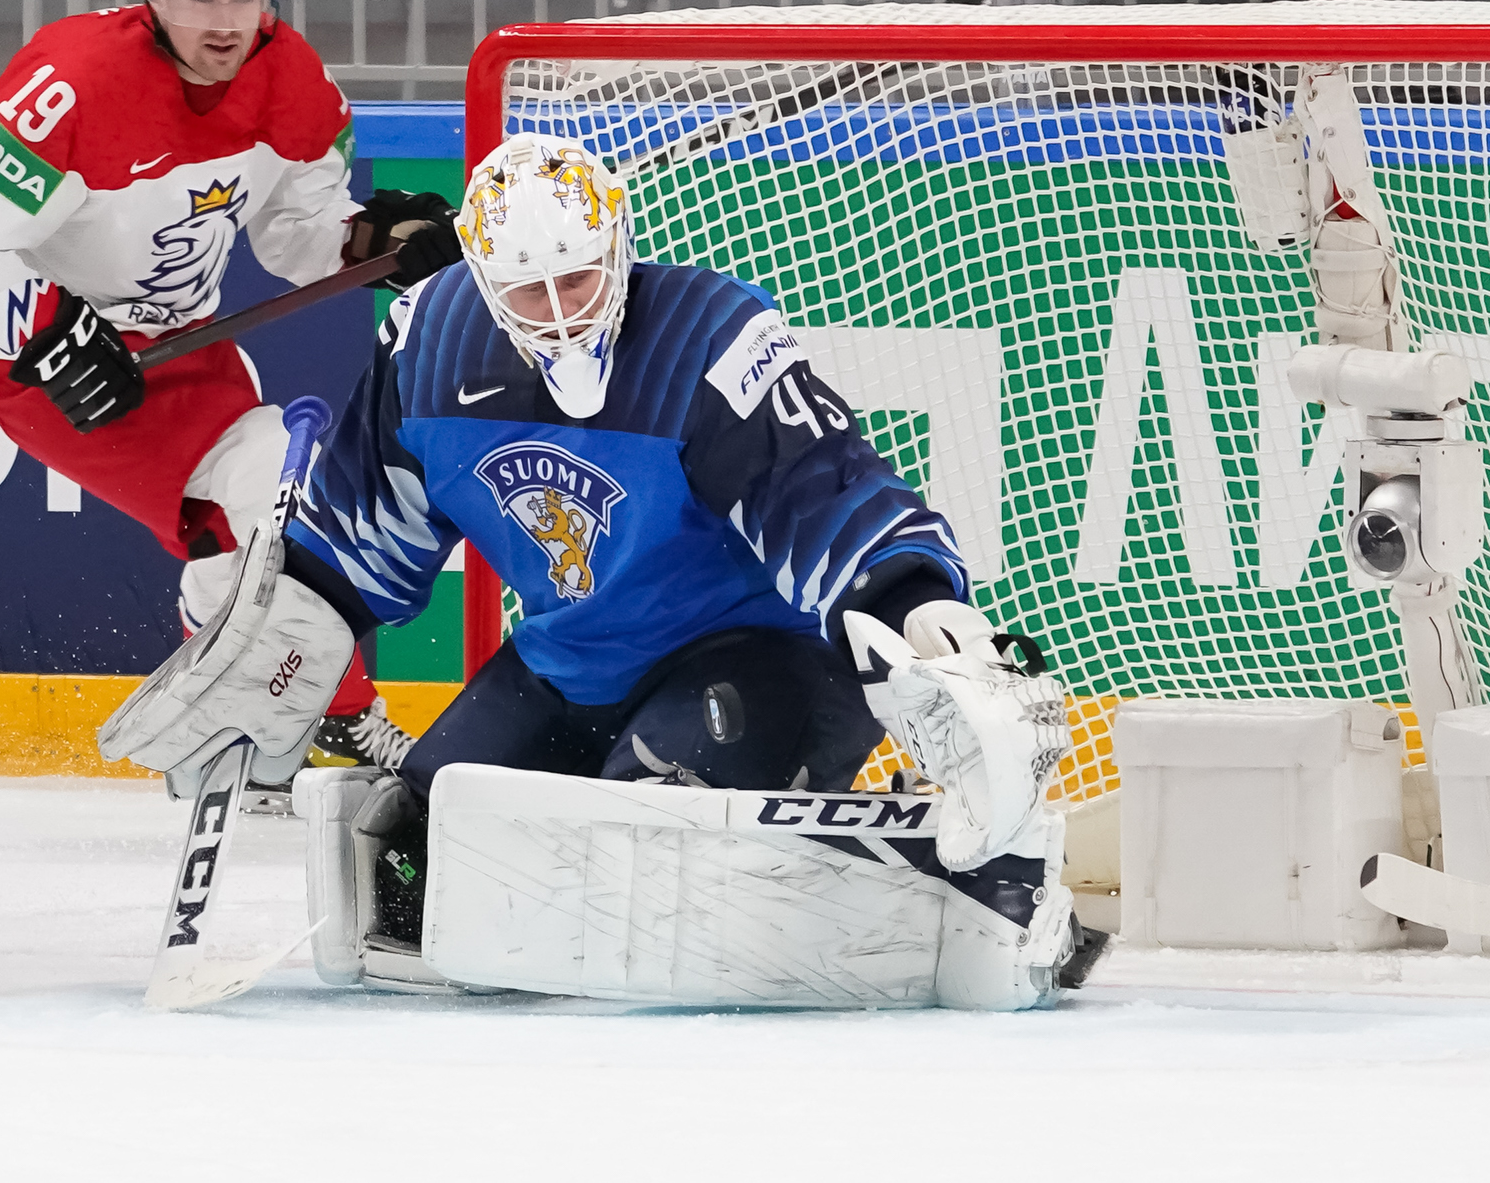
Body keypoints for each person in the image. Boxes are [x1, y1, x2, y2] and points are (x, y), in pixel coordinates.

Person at [100, 131, 1083, 1007]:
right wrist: (282, 639)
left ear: (616, 247)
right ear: (484, 282)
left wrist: (910, 605)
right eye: (532, 290)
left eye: (580, 278)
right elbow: (364, 533)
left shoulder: (705, 337)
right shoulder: (428, 343)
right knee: (419, 854)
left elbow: (820, 490)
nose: (564, 313)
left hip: (761, 655)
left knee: (646, 832)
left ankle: (967, 874)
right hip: (573, 659)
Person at [0, 0, 456, 802]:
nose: (225, 19)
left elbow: (296, 233)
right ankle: (294, 717)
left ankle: (281, 715)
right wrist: (52, 328)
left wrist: (371, 242)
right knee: (246, 521)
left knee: (294, 505)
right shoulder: (72, 80)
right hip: (47, 363)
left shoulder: (294, 81)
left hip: (187, 347)